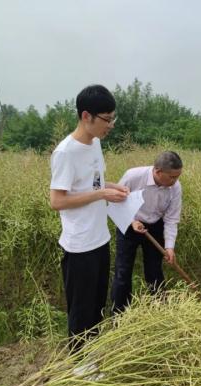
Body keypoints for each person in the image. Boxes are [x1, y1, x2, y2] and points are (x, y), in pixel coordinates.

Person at [49, 84, 129, 348]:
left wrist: (113, 187)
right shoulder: (65, 153)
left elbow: (94, 184)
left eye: (112, 118)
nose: (111, 125)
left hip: (100, 238)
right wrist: (102, 195)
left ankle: (91, 358)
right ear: (86, 116)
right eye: (107, 119)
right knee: (81, 309)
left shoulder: (94, 144)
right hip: (79, 245)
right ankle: (79, 365)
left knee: (96, 305)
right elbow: (57, 201)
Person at [110, 151, 183, 313]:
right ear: (158, 172)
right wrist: (132, 221)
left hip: (155, 225)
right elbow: (115, 203)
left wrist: (170, 247)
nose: (175, 181)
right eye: (172, 177)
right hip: (129, 223)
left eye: (178, 176)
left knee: (154, 270)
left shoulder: (175, 188)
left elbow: (171, 219)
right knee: (123, 271)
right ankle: (119, 315)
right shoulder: (133, 176)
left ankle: (159, 311)